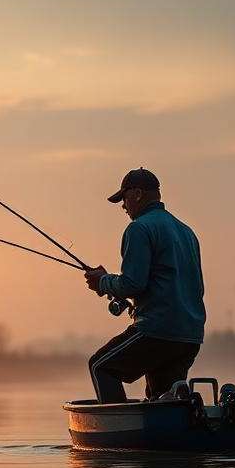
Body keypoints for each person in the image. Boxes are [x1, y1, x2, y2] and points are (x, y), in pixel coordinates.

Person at [84, 168, 205, 403]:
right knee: (163, 403)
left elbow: (132, 284)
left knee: (101, 366)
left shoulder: (139, 228)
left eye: (124, 198)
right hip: (190, 336)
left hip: (156, 331)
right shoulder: (187, 232)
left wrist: (103, 282)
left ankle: (116, 433)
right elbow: (192, 287)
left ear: (137, 193)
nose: (123, 206)